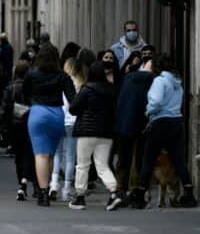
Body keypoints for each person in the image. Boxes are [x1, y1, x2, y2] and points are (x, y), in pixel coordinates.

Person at [131, 55, 198, 208]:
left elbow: (156, 101)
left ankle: (140, 194)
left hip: (160, 122)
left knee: (148, 158)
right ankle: (189, 193)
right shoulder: (178, 83)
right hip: (176, 122)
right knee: (178, 159)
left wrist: (148, 111)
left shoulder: (159, 81)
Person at [22, 46, 76, 206]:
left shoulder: (31, 74)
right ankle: (47, 187)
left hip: (37, 112)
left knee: (40, 154)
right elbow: (72, 98)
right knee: (50, 154)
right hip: (57, 115)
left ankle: (43, 192)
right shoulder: (62, 76)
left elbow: (25, 93)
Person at [68, 62, 121, 211]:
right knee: (102, 165)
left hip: (86, 132)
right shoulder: (111, 90)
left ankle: (80, 197)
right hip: (106, 132)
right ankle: (113, 193)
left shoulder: (87, 89)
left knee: (83, 165)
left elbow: (73, 109)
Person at [114, 58, 154, 204]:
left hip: (123, 123)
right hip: (141, 124)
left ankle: (121, 190)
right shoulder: (151, 80)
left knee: (124, 159)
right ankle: (138, 191)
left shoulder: (128, 78)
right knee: (140, 160)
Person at [0, 60, 37, 201]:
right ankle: (31, 183)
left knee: (18, 156)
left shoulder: (10, 88)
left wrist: (1, 126)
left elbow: (4, 109)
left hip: (15, 125)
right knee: (30, 154)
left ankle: (21, 185)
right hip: (31, 122)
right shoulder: (32, 87)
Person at [50, 57, 85, 202]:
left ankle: (53, 185)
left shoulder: (58, 80)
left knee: (57, 154)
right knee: (71, 157)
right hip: (72, 121)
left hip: (58, 119)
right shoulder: (80, 83)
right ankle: (67, 189)